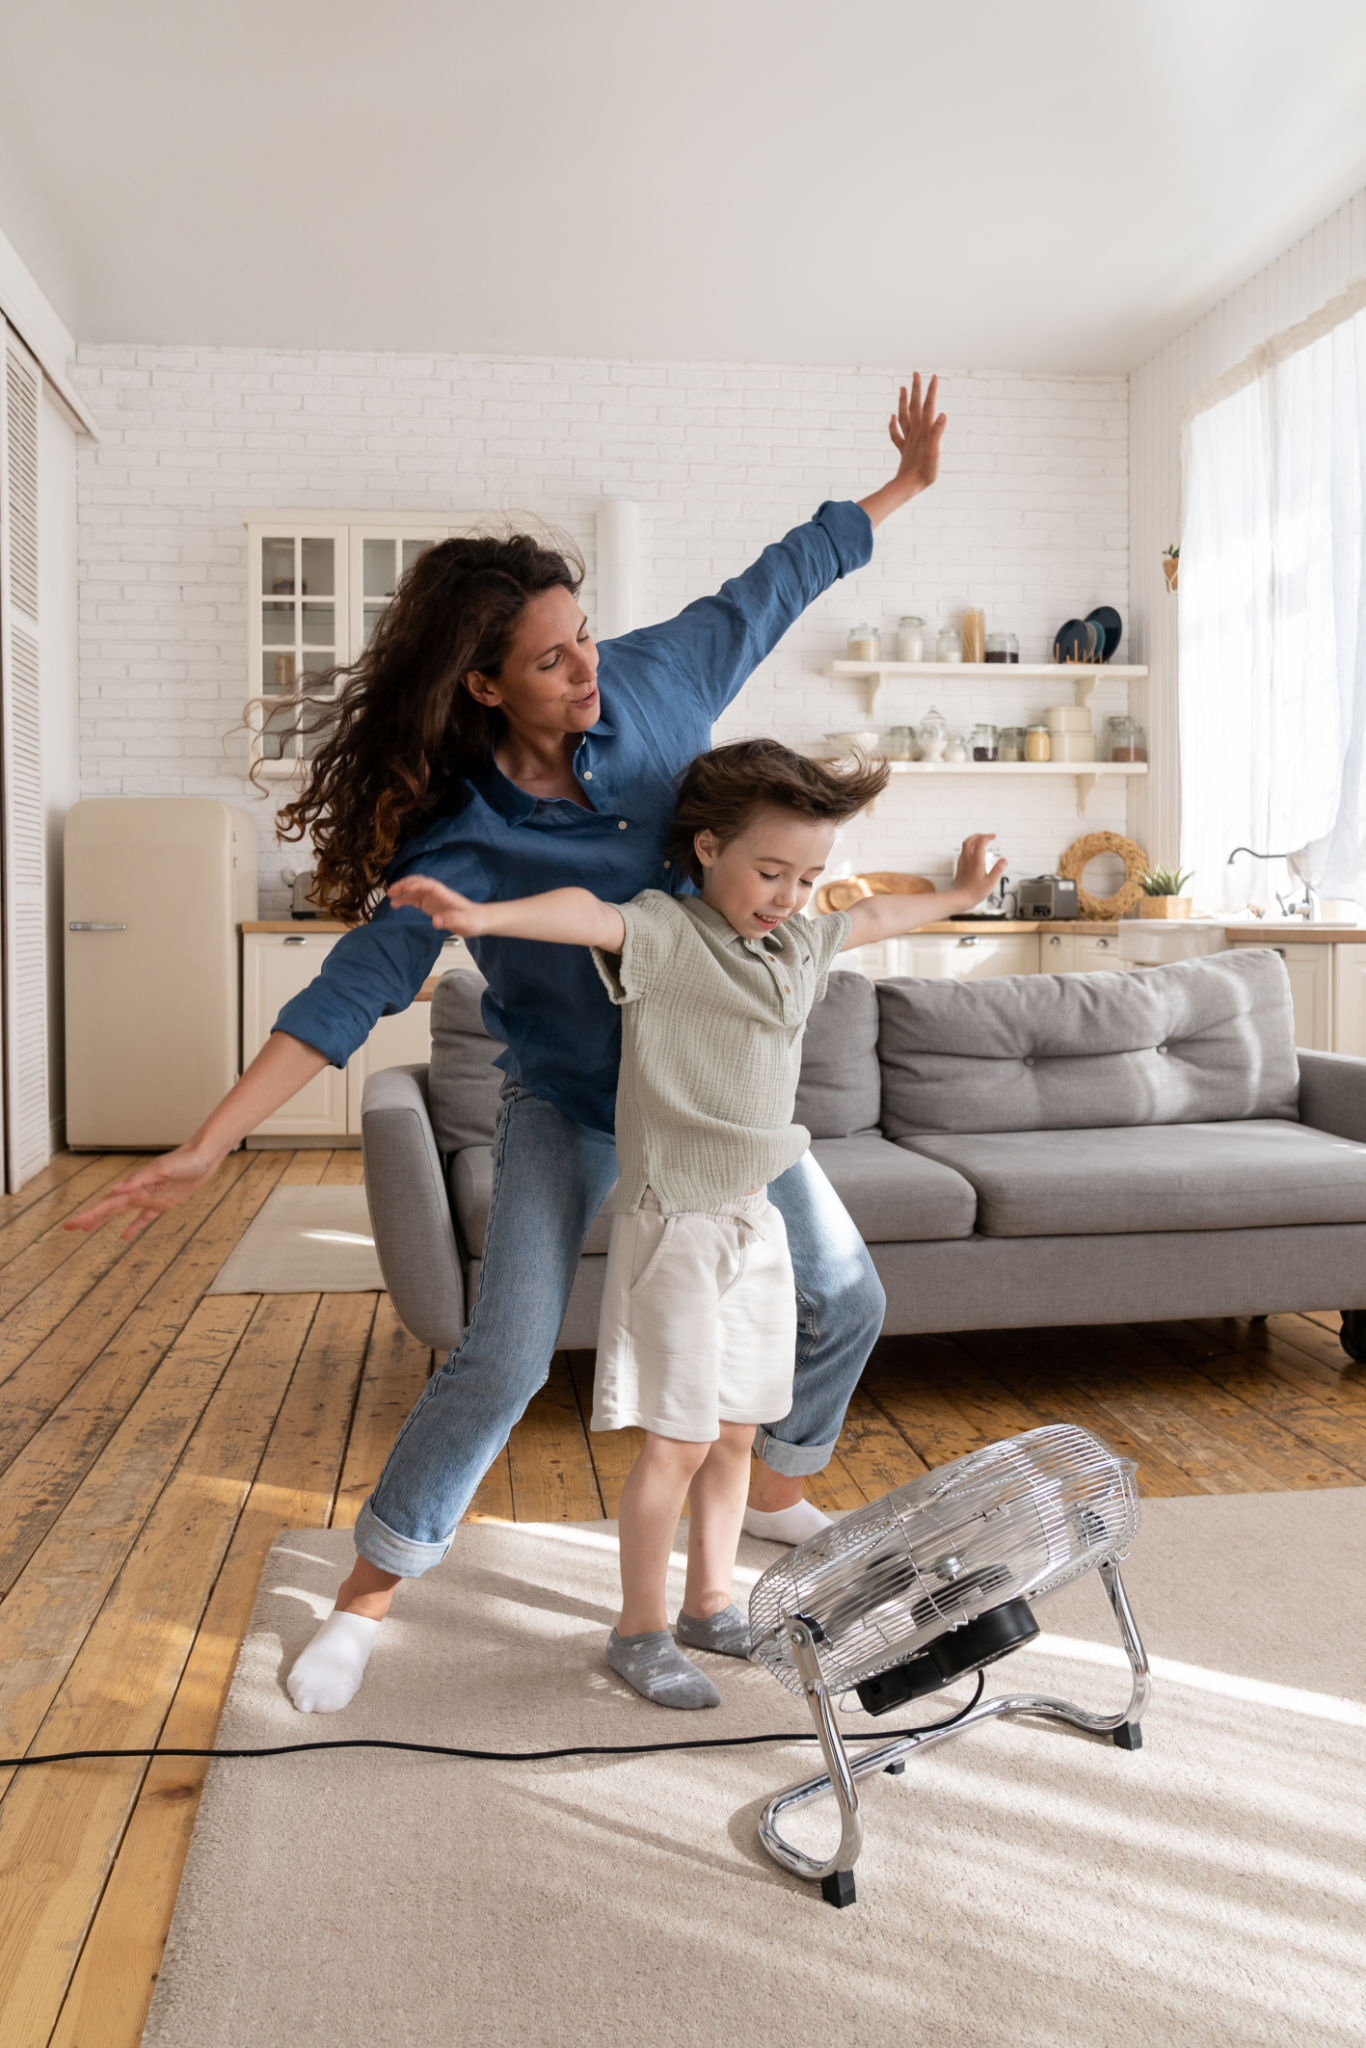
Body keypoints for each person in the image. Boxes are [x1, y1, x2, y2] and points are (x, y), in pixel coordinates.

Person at [67, 375, 960, 1718]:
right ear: (482, 684)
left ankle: (769, 1488)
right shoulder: (454, 837)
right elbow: (348, 995)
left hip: (712, 1108)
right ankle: (366, 1599)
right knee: (500, 1354)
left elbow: (771, 584)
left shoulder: (654, 686)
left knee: (847, 1297)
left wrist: (898, 488)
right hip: (574, 1105)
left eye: (584, 636)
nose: (588, 667)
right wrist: (207, 1144)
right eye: (553, 658)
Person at [386, 741, 1005, 1708]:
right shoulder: (669, 936)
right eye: (769, 871)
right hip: (674, 1228)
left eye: (806, 876)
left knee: (735, 1435)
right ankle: (636, 1630)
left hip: (755, 1226)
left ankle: (710, 1604)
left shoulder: (800, 946)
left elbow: (876, 911)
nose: (789, 894)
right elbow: (584, 915)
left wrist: (960, 891)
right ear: (708, 849)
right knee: (673, 1445)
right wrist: (478, 916)